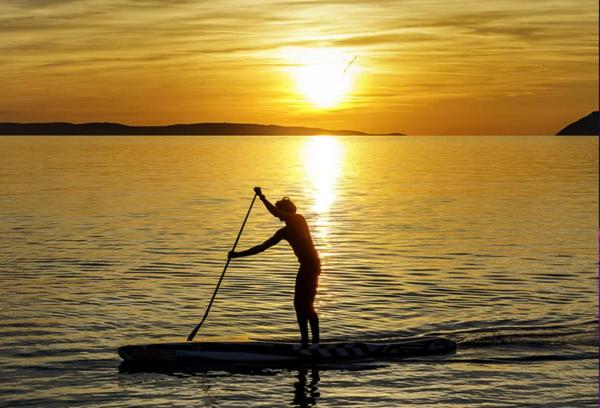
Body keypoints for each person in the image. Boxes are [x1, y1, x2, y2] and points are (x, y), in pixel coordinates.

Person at [228, 187, 321, 345]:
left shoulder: (299, 220)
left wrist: (262, 198)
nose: (278, 215)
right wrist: (237, 255)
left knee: (306, 305)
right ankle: (305, 341)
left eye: (280, 211)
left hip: (312, 266)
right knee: (298, 304)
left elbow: (277, 213)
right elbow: (261, 247)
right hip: (305, 266)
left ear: (286, 211)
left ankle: (316, 344)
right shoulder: (283, 232)